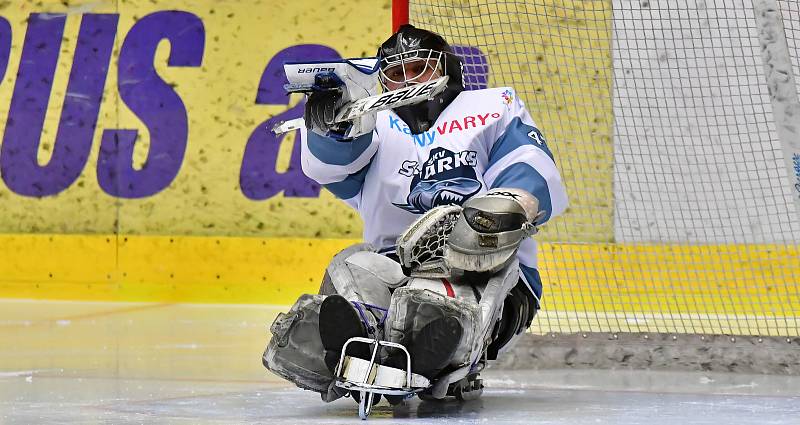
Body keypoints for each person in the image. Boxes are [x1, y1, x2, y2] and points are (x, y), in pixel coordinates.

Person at [263, 24, 568, 403]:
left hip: (485, 269)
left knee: (430, 296)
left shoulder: (492, 106)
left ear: (446, 68)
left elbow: (529, 163)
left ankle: (425, 357)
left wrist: (509, 206)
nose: (407, 80)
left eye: (419, 67)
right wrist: (331, 131)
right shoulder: (371, 123)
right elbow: (330, 170)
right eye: (394, 73)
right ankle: (361, 353)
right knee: (356, 271)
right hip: (395, 264)